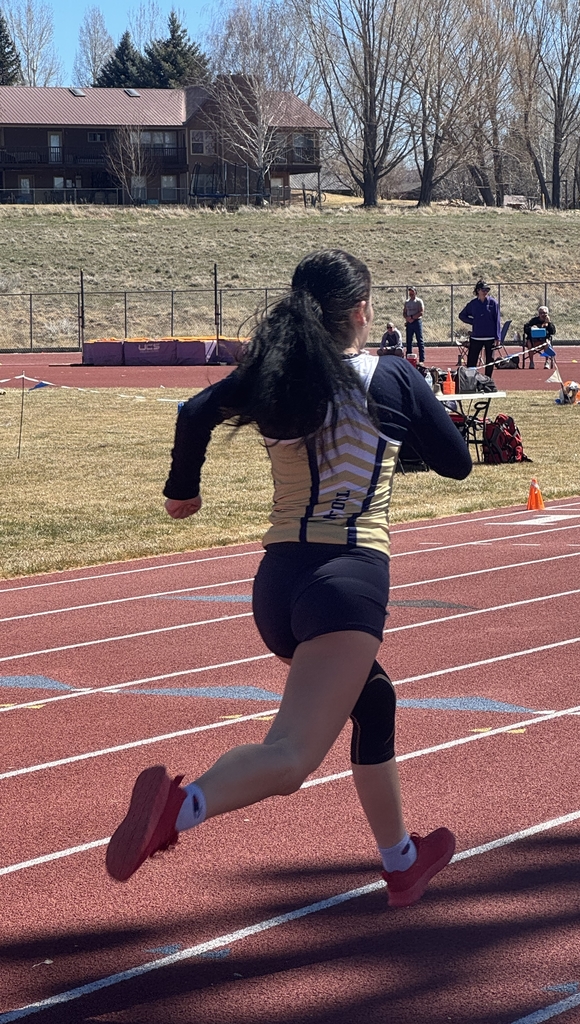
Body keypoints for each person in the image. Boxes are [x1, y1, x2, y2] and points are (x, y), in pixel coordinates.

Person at [106, 249, 472, 909]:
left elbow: (195, 414)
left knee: (375, 702)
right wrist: (413, 416)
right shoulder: (392, 375)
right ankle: (181, 808)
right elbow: (456, 465)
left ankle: (403, 862)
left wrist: (182, 492)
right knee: (292, 758)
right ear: (361, 312)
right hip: (346, 581)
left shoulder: (275, 377)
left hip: (278, 587)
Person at [457, 280, 501, 378]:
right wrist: (473, 321)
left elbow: (497, 320)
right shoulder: (473, 304)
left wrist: (498, 337)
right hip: (476, 337)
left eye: (487, 290)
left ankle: (488, 380)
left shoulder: (493, 303)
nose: (485, 292)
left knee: (490, 360)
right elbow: (462, 315)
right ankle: (470, 380)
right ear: (478, 290)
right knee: (472, 360)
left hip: (490, 337)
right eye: (483, 289)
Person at [523, 305, 556, 369]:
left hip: (543, 341)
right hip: (533, 341)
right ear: (539, 314)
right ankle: (531, 362)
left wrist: (549, 323)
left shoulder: (549, 322)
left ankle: (547, 362)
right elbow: (526, 328)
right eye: (541, 313)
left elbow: (553, 332)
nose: (543, 315)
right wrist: (532, 328)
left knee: (547, 342)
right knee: (529, 343)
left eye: (545, 313)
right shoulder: (534, 321)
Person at [402, 286, 425, 363]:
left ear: (415, 292)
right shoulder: (407, 302)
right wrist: (407, 318)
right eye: (410, 292)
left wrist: (412, 317)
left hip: (417, 322)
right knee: (409, 341)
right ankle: (408, 359)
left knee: (420, 341)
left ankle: (422, 360)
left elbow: (421, 312)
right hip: (409, 323)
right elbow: (404, 312)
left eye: (412, 291)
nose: (411, 293)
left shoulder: (419, 301)